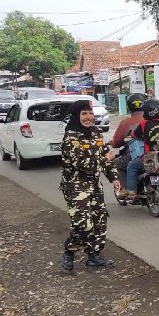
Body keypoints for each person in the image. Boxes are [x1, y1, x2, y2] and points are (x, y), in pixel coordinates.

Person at [59, 99, 120, 270]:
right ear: (76, 116)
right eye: (84, 114)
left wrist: (113, 177)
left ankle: (94, 256)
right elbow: (83, 164)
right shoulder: (71, 137)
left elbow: (105, 156)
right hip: (76, 187)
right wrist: (106, 158)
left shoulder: (96, 133)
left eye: (90, 113)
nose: (88, 117)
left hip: (94, 186)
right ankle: (69, 251)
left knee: (100, 222)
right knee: (83, 225)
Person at [125, 100, 159, 203]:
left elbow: (135, 135)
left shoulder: (144, 124)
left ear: (149, 111)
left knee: (132, 166)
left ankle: (131, 192)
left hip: (152, 158)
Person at [109, 93, 147, 196]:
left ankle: (125, 189)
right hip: (155, 154)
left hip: (136, 155)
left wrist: (111, 143)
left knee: (117, 163)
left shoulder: (126, 123)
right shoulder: (151, 120)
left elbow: (116, 142)